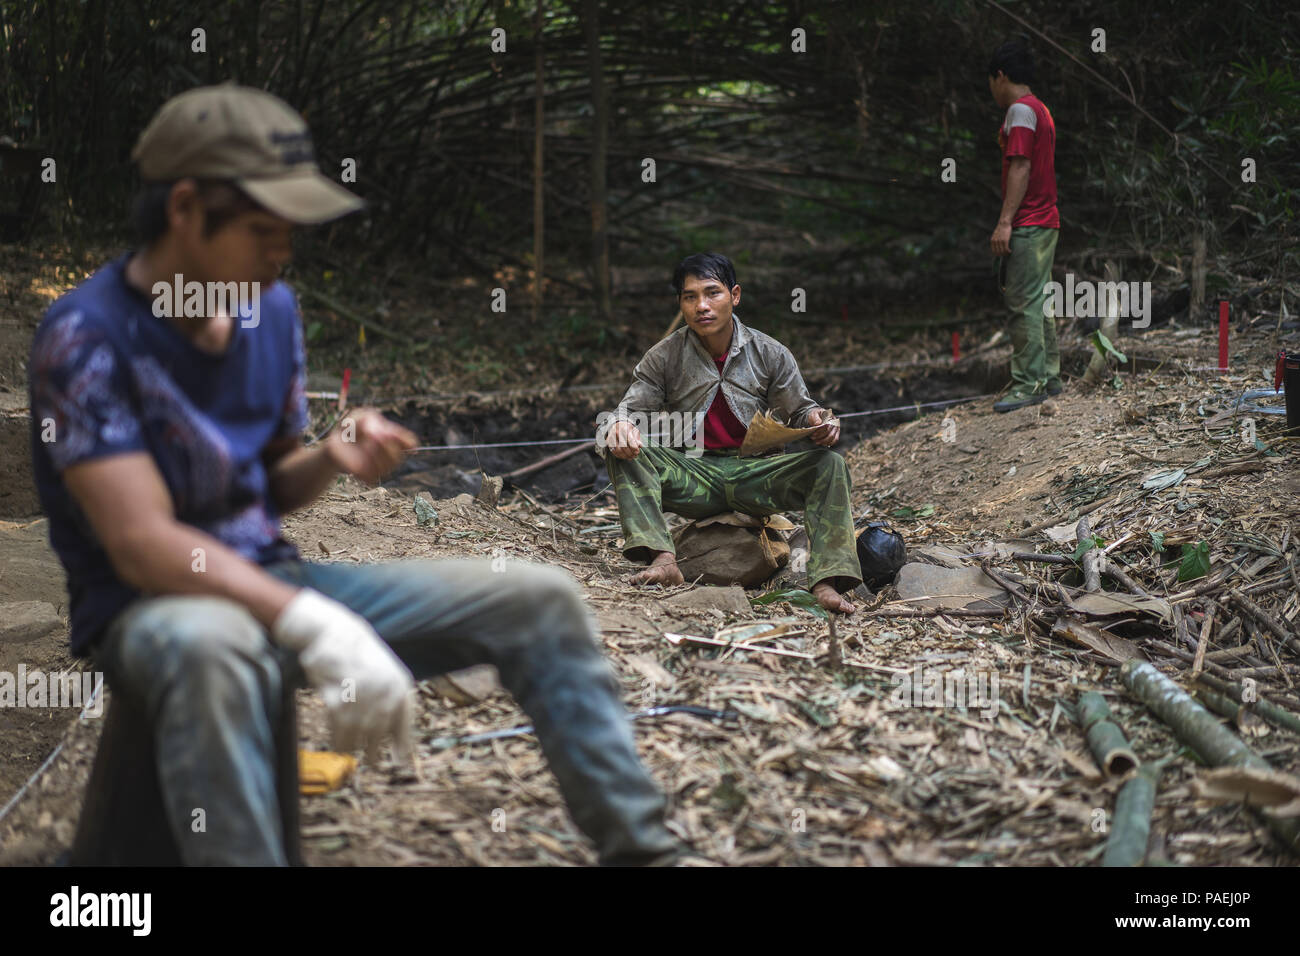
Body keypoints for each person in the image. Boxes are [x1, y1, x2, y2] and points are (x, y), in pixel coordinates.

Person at [28, 83, 678, 866]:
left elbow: (266, 487)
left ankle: (648, 855)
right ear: (185, 209)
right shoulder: (84, 337)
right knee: (216, 645)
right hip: (151, 609)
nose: (282, 254)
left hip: (271, 575)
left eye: (290, 234)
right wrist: (312, 623)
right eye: (264, 230)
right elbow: (140, 543)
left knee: (539, 600)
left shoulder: (271, 312)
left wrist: (330, 454)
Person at [600, 252, 861, 614]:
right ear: (680, 304)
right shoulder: (665, 355)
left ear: (734, 295)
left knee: (829, 464)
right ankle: (663, 558)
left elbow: (801, 410)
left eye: (712, 293)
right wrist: (620, 425)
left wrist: (819, 421)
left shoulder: (769, 352)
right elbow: (628, 410)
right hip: (696, 474)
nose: (701, 306)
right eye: (690, 297)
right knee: (617, 446)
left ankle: (826, 581)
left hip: (756, 476)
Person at [988, 36, 1061, 413]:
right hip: (1047, 218)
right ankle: (1048, 376)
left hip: (1030, 221)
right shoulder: (1041, 110)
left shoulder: (1019, 111)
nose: (992, 90)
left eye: (991, 81)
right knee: (1040, 300)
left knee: (1023, 302)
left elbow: (1020, 165)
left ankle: (1028, 382)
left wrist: (1005, 222)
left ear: (1000, 75)